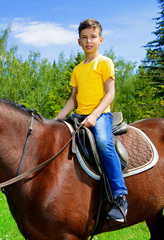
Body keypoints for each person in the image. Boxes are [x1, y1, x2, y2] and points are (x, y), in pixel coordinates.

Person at [55, 19, 128, 222]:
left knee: (104, 143)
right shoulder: (77, 70)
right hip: (79, 115)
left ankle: (120, 196)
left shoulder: (105, 62)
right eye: (85, 38)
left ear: (101, 39)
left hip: (101, 115)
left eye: (93, 37)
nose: (89, 41)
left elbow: (110, 94)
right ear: (79, 42)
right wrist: (56, 120)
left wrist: (95, 115)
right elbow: (73, 99)